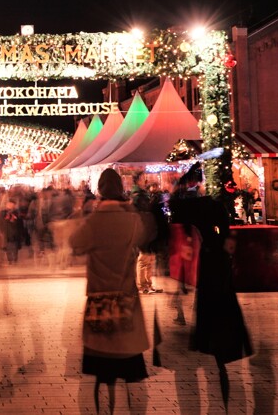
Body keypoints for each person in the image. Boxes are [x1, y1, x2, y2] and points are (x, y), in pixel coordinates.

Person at [169, 162, 253, 409]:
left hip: (204, 257)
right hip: (217, 255)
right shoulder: (214, 205)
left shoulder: (188, 206)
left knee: (206, 296)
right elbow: (226, 231)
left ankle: (207, 336)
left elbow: (175, 216)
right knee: (223, 295)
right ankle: (226, 337)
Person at [70, 169, 154, 413]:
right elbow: (144, 235)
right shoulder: (131, 218)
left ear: (100, 190)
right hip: (126, 298)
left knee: (102, 372)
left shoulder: (94, 221)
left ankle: (104, 410)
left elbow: (75, 244)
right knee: (129, 368)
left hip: (100, 301)